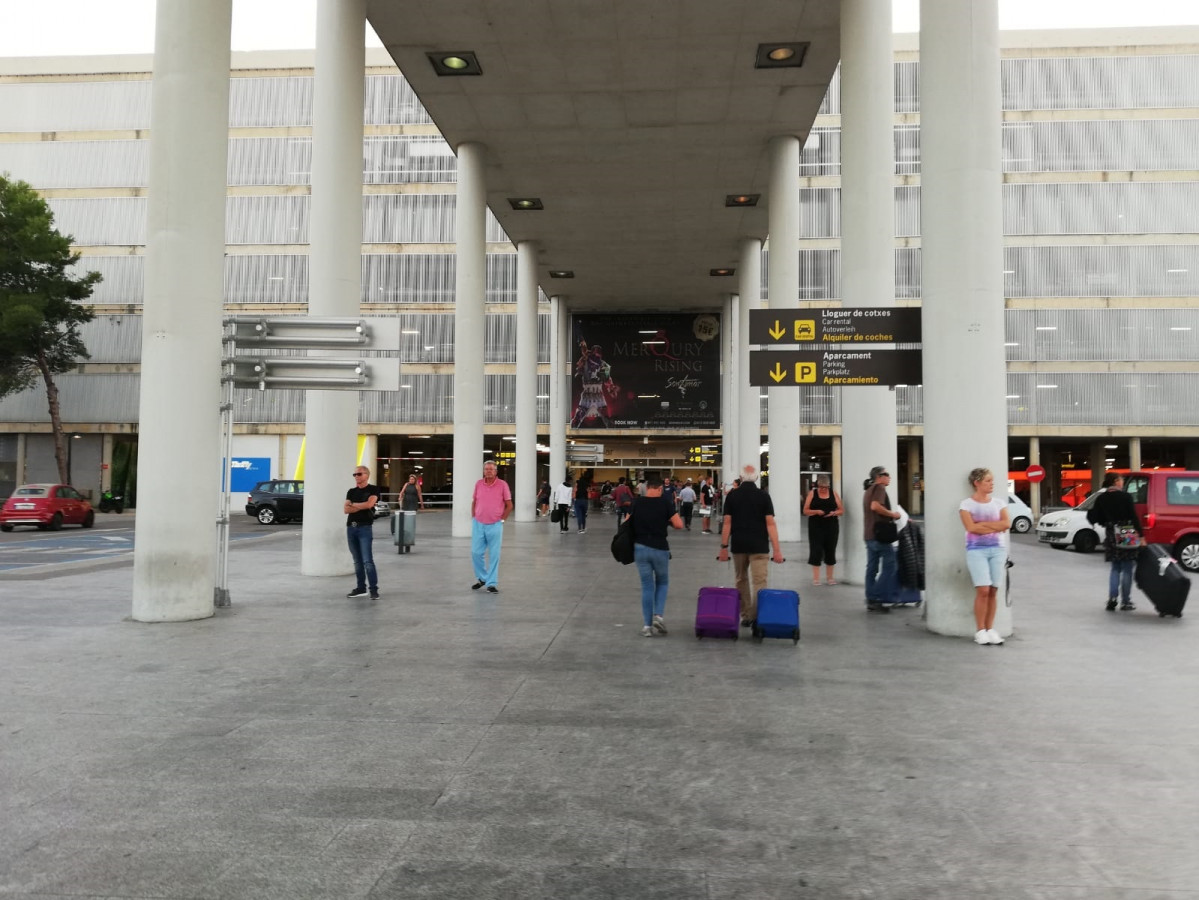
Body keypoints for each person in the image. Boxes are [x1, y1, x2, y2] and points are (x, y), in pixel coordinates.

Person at [717, 464, 785, 628]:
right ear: (756, 477)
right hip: (759, 546)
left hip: (739, 544)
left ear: (740, 478)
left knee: (741, 579)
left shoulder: (732, 496)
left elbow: (727, 523)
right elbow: (771, 524)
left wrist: (724, 547)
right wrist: (777, 550)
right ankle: (757, 616)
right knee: (760, 581)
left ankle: (746, 615)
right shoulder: (763, 496)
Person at [959, 467, 1011, 645]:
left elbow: (1006, 524)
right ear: (977, 483)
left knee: (994, 590)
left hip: (997, 549)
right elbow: (971, 528)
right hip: (976, 550)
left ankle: (990, 629)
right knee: (983, 590)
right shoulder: (966, 505)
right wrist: (995, 525)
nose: (991, 484)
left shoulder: (999, 503)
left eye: (992, 480)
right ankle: (980, 630)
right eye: (988, 481)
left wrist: (983, 524)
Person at [629, 477, 684, 636]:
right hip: (659, 548)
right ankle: (658, 615)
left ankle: (647, 627)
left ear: (646, 488)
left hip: (640, 548)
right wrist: (668, 522)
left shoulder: (637, 503)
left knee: (647, 586)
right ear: (660, 489)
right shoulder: (665, 503)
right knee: (662, 582)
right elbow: (679, 524)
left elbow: (627, 523)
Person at [1087, 471, 1144, 612]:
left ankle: (1112, 598)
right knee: (1127, 568)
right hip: (1126, 530)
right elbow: (1133, 516)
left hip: (1111, 531)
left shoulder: (1102, 498)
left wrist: (1106, 522)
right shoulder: (1126, 496)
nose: (1122, 482)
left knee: (1115, 567)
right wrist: (1141, 535)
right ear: (1115, 481)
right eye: (1121, 480)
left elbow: (1095, 517)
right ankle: (1125, 601)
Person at [863, 466, 902, 613]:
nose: (889, 477)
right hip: (880, 535)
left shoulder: (868, 489)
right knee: (890, 566)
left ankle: (870, 598)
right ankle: (876, 597)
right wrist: (892, 514)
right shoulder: (879, 488)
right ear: (879, 476)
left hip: (868, 535)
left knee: (871, 569)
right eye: (887, 474)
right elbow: (875, 506)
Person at [470, 461, 513, 593]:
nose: (488, 471)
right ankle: (483, 578)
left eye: (491, 469)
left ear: (496, 472)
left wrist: (502, 520)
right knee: (476, 553)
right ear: (483, 471)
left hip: (495, 524)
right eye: (486, 469)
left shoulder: (502, 485)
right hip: (478, 523)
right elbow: (475, 501)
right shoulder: (478, 484)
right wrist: (474, 516)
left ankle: (491, 583)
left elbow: (509, 505)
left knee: (494, 555)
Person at [344, 466, 380, 600]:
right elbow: (346, 510)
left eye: (359, 474)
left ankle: (374, 589)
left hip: (365, 528)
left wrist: (354, 504)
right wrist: (360, 505)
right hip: (351, 528)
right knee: (357, 561)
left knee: (367, 561)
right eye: (354, 474)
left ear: (367, 475)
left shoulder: (373, 489)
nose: (356, 476)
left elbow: (369, 505)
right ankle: (361, 588)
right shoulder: (351, 491)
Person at [803, 474, 843, 586]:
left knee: (831, 550)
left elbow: (841, 510)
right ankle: (816, 578)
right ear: (817, 486)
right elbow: (805, 510)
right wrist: (816, 511)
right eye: (821, 487)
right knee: (816, 550)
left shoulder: (834, 494)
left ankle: (830, 578)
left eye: (826, 487)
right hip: (816, 526)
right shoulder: (812, 494)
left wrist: (834, 513)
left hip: (832, 525)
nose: (823, 489)